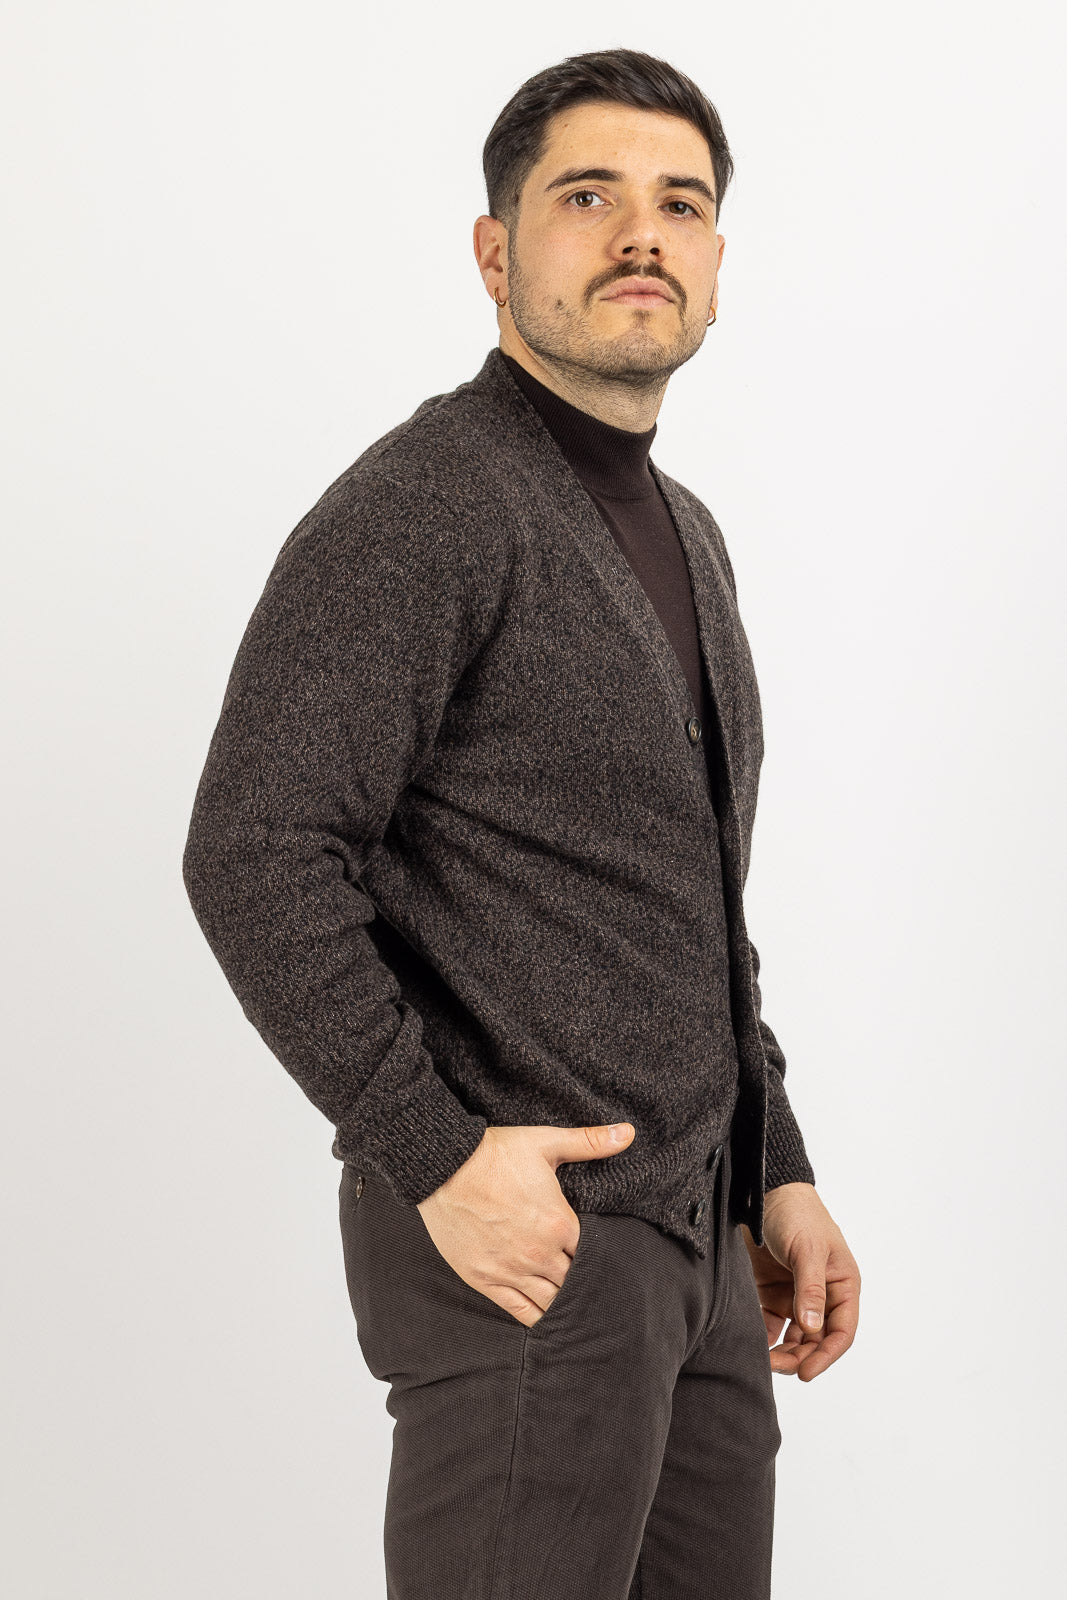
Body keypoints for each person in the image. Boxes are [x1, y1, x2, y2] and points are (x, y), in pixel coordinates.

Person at [182, 45, 860, 1600]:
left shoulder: (687, 535)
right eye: (588, 197)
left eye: (679, 204)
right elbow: (255, 850)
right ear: (495, 254)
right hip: (529, 1253)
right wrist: (437, 1157)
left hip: (698, 1255)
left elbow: (685, 902)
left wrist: (776, 1168)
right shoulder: (428, 506)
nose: (642, 236)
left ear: (715, 257)